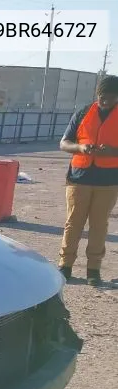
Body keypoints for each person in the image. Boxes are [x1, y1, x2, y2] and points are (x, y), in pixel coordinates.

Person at [58, 74, 118, 287]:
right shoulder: (83, 113)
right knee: (73, 223)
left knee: (99, 226)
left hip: (109, 181)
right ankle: (65, 266)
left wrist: (113, 152)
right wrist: (80, 148)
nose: (105, 101)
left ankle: (94, 270)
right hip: (79, 178)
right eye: (102, 96)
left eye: (110, 97)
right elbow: (64, 143)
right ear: (97, 94)